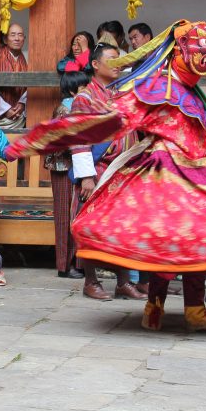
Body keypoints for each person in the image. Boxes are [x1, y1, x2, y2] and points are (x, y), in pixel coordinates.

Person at [5, 20, 206, 331]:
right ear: (180, 52)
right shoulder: (157, 86)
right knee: (167, 239)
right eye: (201, 51)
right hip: (164, 172)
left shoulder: (193, 91)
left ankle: (192, 308)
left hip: (202, 170)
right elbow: (113, 120)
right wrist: (40, 140)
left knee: (195, 239)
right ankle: (155, 305)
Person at [69, 44, 146, 302]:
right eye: (112, 60)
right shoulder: (85, 99)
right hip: (99, 169)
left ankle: (124, 282)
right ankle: (90, 281)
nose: (117, 65)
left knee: (123, 227)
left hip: (123, 170)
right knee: (93, 226)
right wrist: (86, 176)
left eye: (120, 60)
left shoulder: (122, 94)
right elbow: (79, 138)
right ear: (95, 64)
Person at [47, 70, 90, 279]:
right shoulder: (64, 110)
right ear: (73, 90)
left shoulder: (81, 108)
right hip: (64, 168)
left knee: (79, 215)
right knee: (65, 216)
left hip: (80, 169)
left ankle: (80, 262)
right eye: (83, 88)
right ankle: (65, 265)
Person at [0, 23, 28, 131]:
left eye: (20, 35)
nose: (17, 38)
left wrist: (22, 103)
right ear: (5, 39)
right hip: (1, 112)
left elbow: (29, 86)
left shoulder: (26, 58)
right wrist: (5, 109)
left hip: (19, 113)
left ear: (24, 39)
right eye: (13, 35)